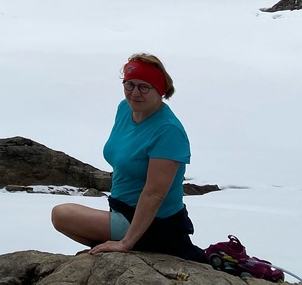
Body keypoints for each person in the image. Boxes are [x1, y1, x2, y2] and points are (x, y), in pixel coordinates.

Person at [51, 53, 205, 261]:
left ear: (160, 90)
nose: (135, 93)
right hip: (122, 211)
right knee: (62, 219)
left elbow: (154, 194)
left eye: (144, 87)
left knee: (61, 214)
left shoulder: (168, 131)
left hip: (156, 223)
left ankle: (141, 244)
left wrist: (126, 243)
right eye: (129, 84)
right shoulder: (125, 109)